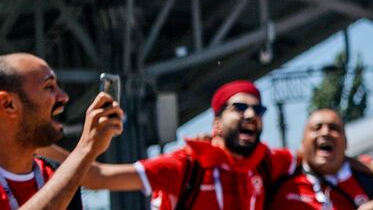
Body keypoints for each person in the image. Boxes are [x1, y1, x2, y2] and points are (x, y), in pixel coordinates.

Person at [77, 80, 296, 210]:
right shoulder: (186, 166)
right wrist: (45, 144)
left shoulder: (267, 162)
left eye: (258, 110)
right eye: (239, 107)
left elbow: (309, 157)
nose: (250, 115)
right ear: (216, 124)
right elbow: (99, 177)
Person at [0, 54, 123, 210]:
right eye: (49, 87)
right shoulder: (66, 177)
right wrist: (86, 148)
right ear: (8, 104)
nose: (64, 97)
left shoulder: (57, 174)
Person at [268, 109, 373, 210]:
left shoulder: (371, 183)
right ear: (303, 142)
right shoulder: (279, 181)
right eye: (316, 128)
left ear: (346, 142)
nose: (325, 133)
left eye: (334, 128)